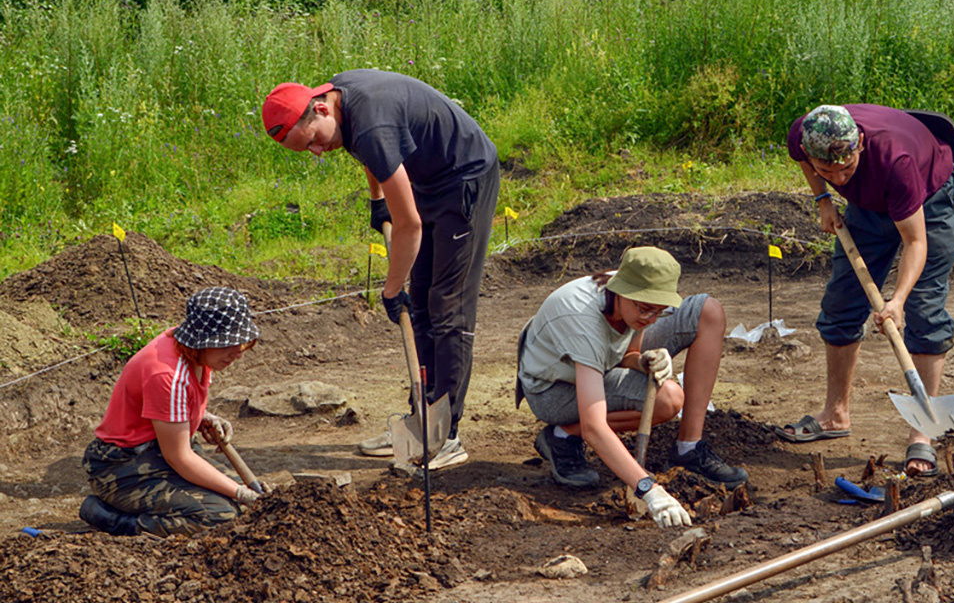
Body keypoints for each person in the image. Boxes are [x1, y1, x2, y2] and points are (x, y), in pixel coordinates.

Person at [262, 70, 500, 470]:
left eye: (315, 141)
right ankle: (421, 423)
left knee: (448, 307)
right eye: (307, 151)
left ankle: (447, 436)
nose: (319, 152)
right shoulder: (340, 102)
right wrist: (378, 200)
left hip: (465, 178)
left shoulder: (370, 120)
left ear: (320, 109)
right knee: (421, 306)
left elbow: (409, 225)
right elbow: (375, 155)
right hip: (428, 181)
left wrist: (391, 289)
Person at [778, 104, 954, 477]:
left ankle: (923, 431)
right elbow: (805, 161)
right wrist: (824, 198)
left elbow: (916, 243)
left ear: (860, 142)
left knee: (925, 312)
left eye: (846, 168)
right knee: (841, 304)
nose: (839, 177)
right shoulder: (805, 133)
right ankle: (835, 415)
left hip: (929, 199)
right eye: (828, 172)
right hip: (868, 204)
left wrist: (897, 300)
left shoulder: (897, 162)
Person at [517, 246, 747, 529]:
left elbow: (626, 353)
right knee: (665, 401)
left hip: (601, 365)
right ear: (621, 291)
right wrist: (648, 489)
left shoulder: (633, 297)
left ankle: (689, 448)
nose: (651, 319)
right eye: (645, 309)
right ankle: (561, 435)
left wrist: (644, 361)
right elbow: (594, 426)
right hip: (554, 389)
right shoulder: (582, 319)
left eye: (659, 312)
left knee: (706, 313)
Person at [79, 287, 263, 537]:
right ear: (202, 341)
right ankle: (118, 521)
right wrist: (241, 493)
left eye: (240, 342)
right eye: (227, 343)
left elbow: (166, 408)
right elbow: (180, 458)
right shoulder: (167, 375)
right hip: (121, 467)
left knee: (233, 494)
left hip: (156, 450)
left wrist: (202, 416)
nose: (237, 352)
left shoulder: (193, 352)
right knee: (221, 516)